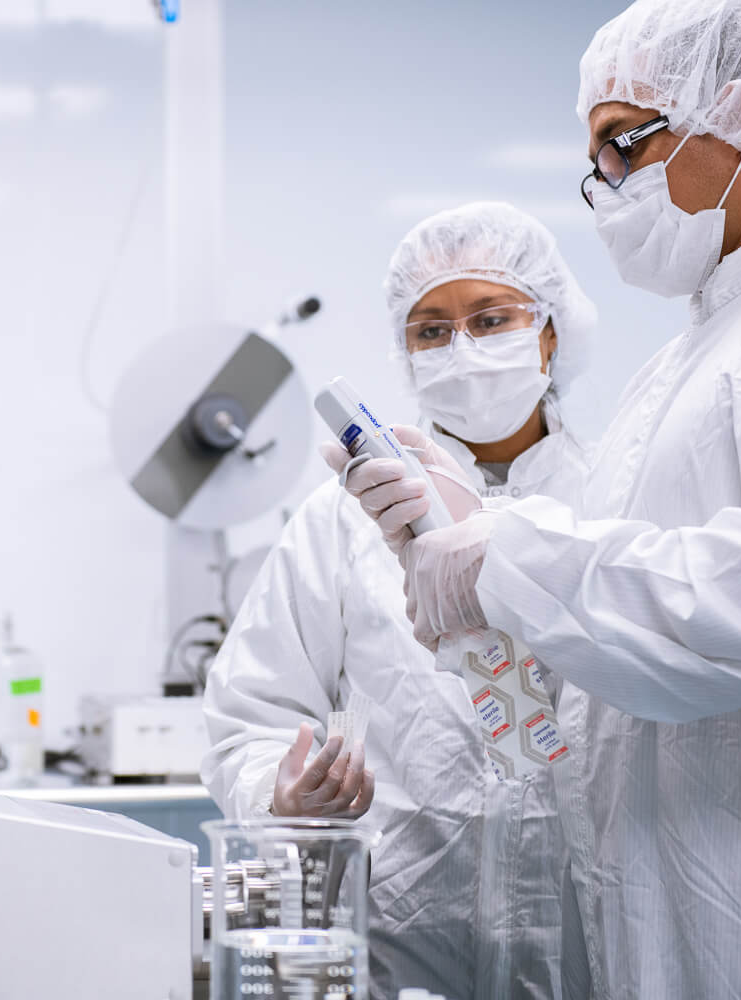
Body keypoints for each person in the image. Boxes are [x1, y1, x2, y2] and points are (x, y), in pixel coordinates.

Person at [329, 1, 741, 996]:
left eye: (619, 144)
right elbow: (581, 708)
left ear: (736, 112)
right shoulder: (676, 369)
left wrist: (504, 554)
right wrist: (464, 599)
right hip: (645, 930)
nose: (604, 188)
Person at [203, 201, 596, 1000]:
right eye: (431, 331)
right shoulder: (342, 521)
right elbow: (250, 712)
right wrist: (280, 792)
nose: (463, 350)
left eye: (491, 319)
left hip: (586, 948)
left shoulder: (616, 500)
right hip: (400, 946)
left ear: (549, 333)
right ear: (406, 355)